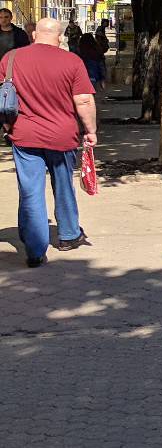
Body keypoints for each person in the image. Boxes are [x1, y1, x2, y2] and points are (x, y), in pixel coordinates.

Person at [1, 18, 96, 266]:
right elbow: (84, 100)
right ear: (60, 37)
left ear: (34, 35)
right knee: (64, 185)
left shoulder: (10, 59)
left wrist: (6, 126)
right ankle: (68, 235)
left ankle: (34, 250)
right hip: (62, 136)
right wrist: (91, 131)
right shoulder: (72, 61)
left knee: (30, 191)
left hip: (24, 135)